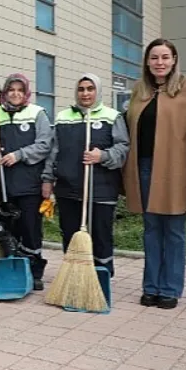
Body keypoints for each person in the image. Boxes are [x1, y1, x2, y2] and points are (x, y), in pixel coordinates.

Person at [122, 38, 186, 310]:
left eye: (164, 57)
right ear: (147, 62)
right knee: (151, 229)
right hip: (145, 167)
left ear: (174, 60)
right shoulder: (140, 90)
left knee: (173, 230)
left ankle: (170, 289)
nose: (159, 63)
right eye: (154, 58)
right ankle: (150, 287)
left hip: (177, 168)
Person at [42, 74, 129, 277]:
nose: (85, 93)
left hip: (102, 189)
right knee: (71, 236)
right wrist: (47, 178)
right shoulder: (64, 117)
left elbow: (124, 148)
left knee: (101, 236)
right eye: (81, 89)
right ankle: (74, 278)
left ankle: (101, 279)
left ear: (97, 91)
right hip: (68, 189)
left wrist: (103, 156)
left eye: (90, 89)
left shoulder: (112, 116)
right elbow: (53, 152)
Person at [0, 73, 53, 290]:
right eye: (11, 90)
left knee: (31, 229)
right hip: (1, 186)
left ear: (26, 92)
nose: (16, 94)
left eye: (20, 90)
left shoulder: (37, 113)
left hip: (29, 184)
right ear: (5, 93)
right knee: (7, 230)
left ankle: (34, 271)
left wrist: (19, 155)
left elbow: (44, 144)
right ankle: (9, 270)